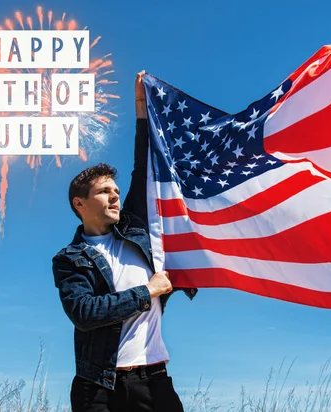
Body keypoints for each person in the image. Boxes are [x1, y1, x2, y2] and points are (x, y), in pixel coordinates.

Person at [52, 71, 196, 412]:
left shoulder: (135, 232)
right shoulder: (70, 259)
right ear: (80, 204)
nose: (115, 197)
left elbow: (142, 167)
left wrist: (142, 111)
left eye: (116, 192)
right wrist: (148, 292)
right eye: (104, 192)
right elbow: (85, 312)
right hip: (98, 389)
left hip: (154, 383)